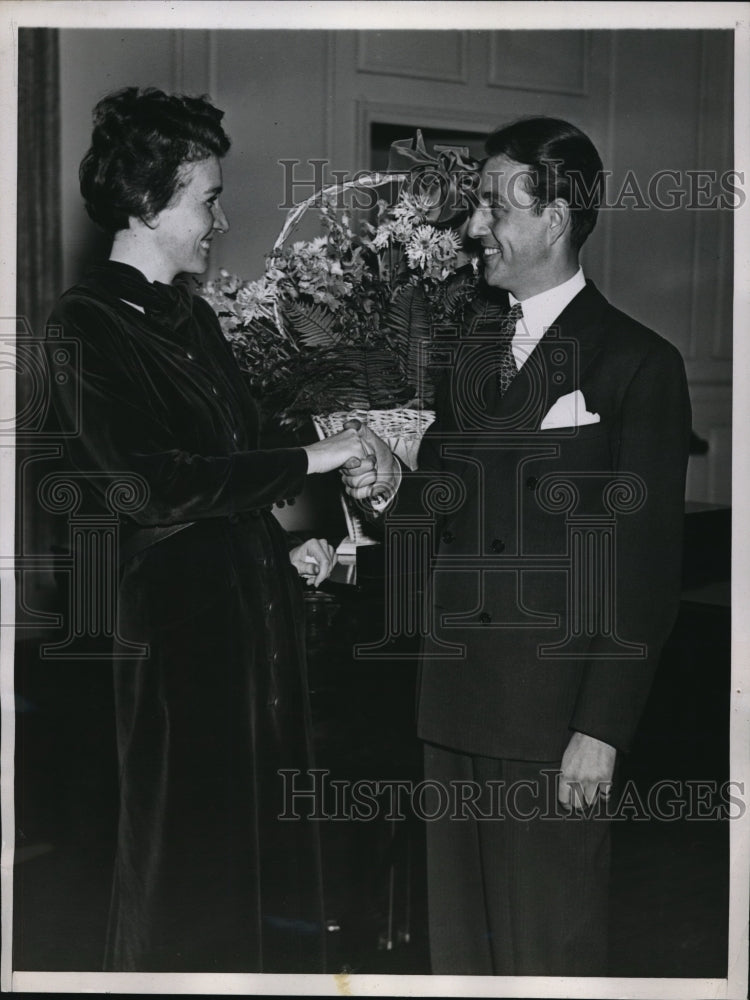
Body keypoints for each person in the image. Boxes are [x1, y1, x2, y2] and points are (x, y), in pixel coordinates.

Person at [343, 116, 691, 975]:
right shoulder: (471, 353)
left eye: (495, 206)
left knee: (548, 956)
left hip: (551, 723)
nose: (474, 228)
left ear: (556, 218)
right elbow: (447, 511)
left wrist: (600, 731)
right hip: (453, 705)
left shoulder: (640, 364)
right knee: (459, 955)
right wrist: (387, 491)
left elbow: (644, 567)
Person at [46, 87, 366, 973]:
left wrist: (294, 532)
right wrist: (315, 460)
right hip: (174, 655)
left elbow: (246, 446)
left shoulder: (188, 314)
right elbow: (152, 486)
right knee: (187, 883)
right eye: (207, 199)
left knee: (254, 876)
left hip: (247, 631)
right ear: (148, 204)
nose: (219, 219)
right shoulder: (85, 324)